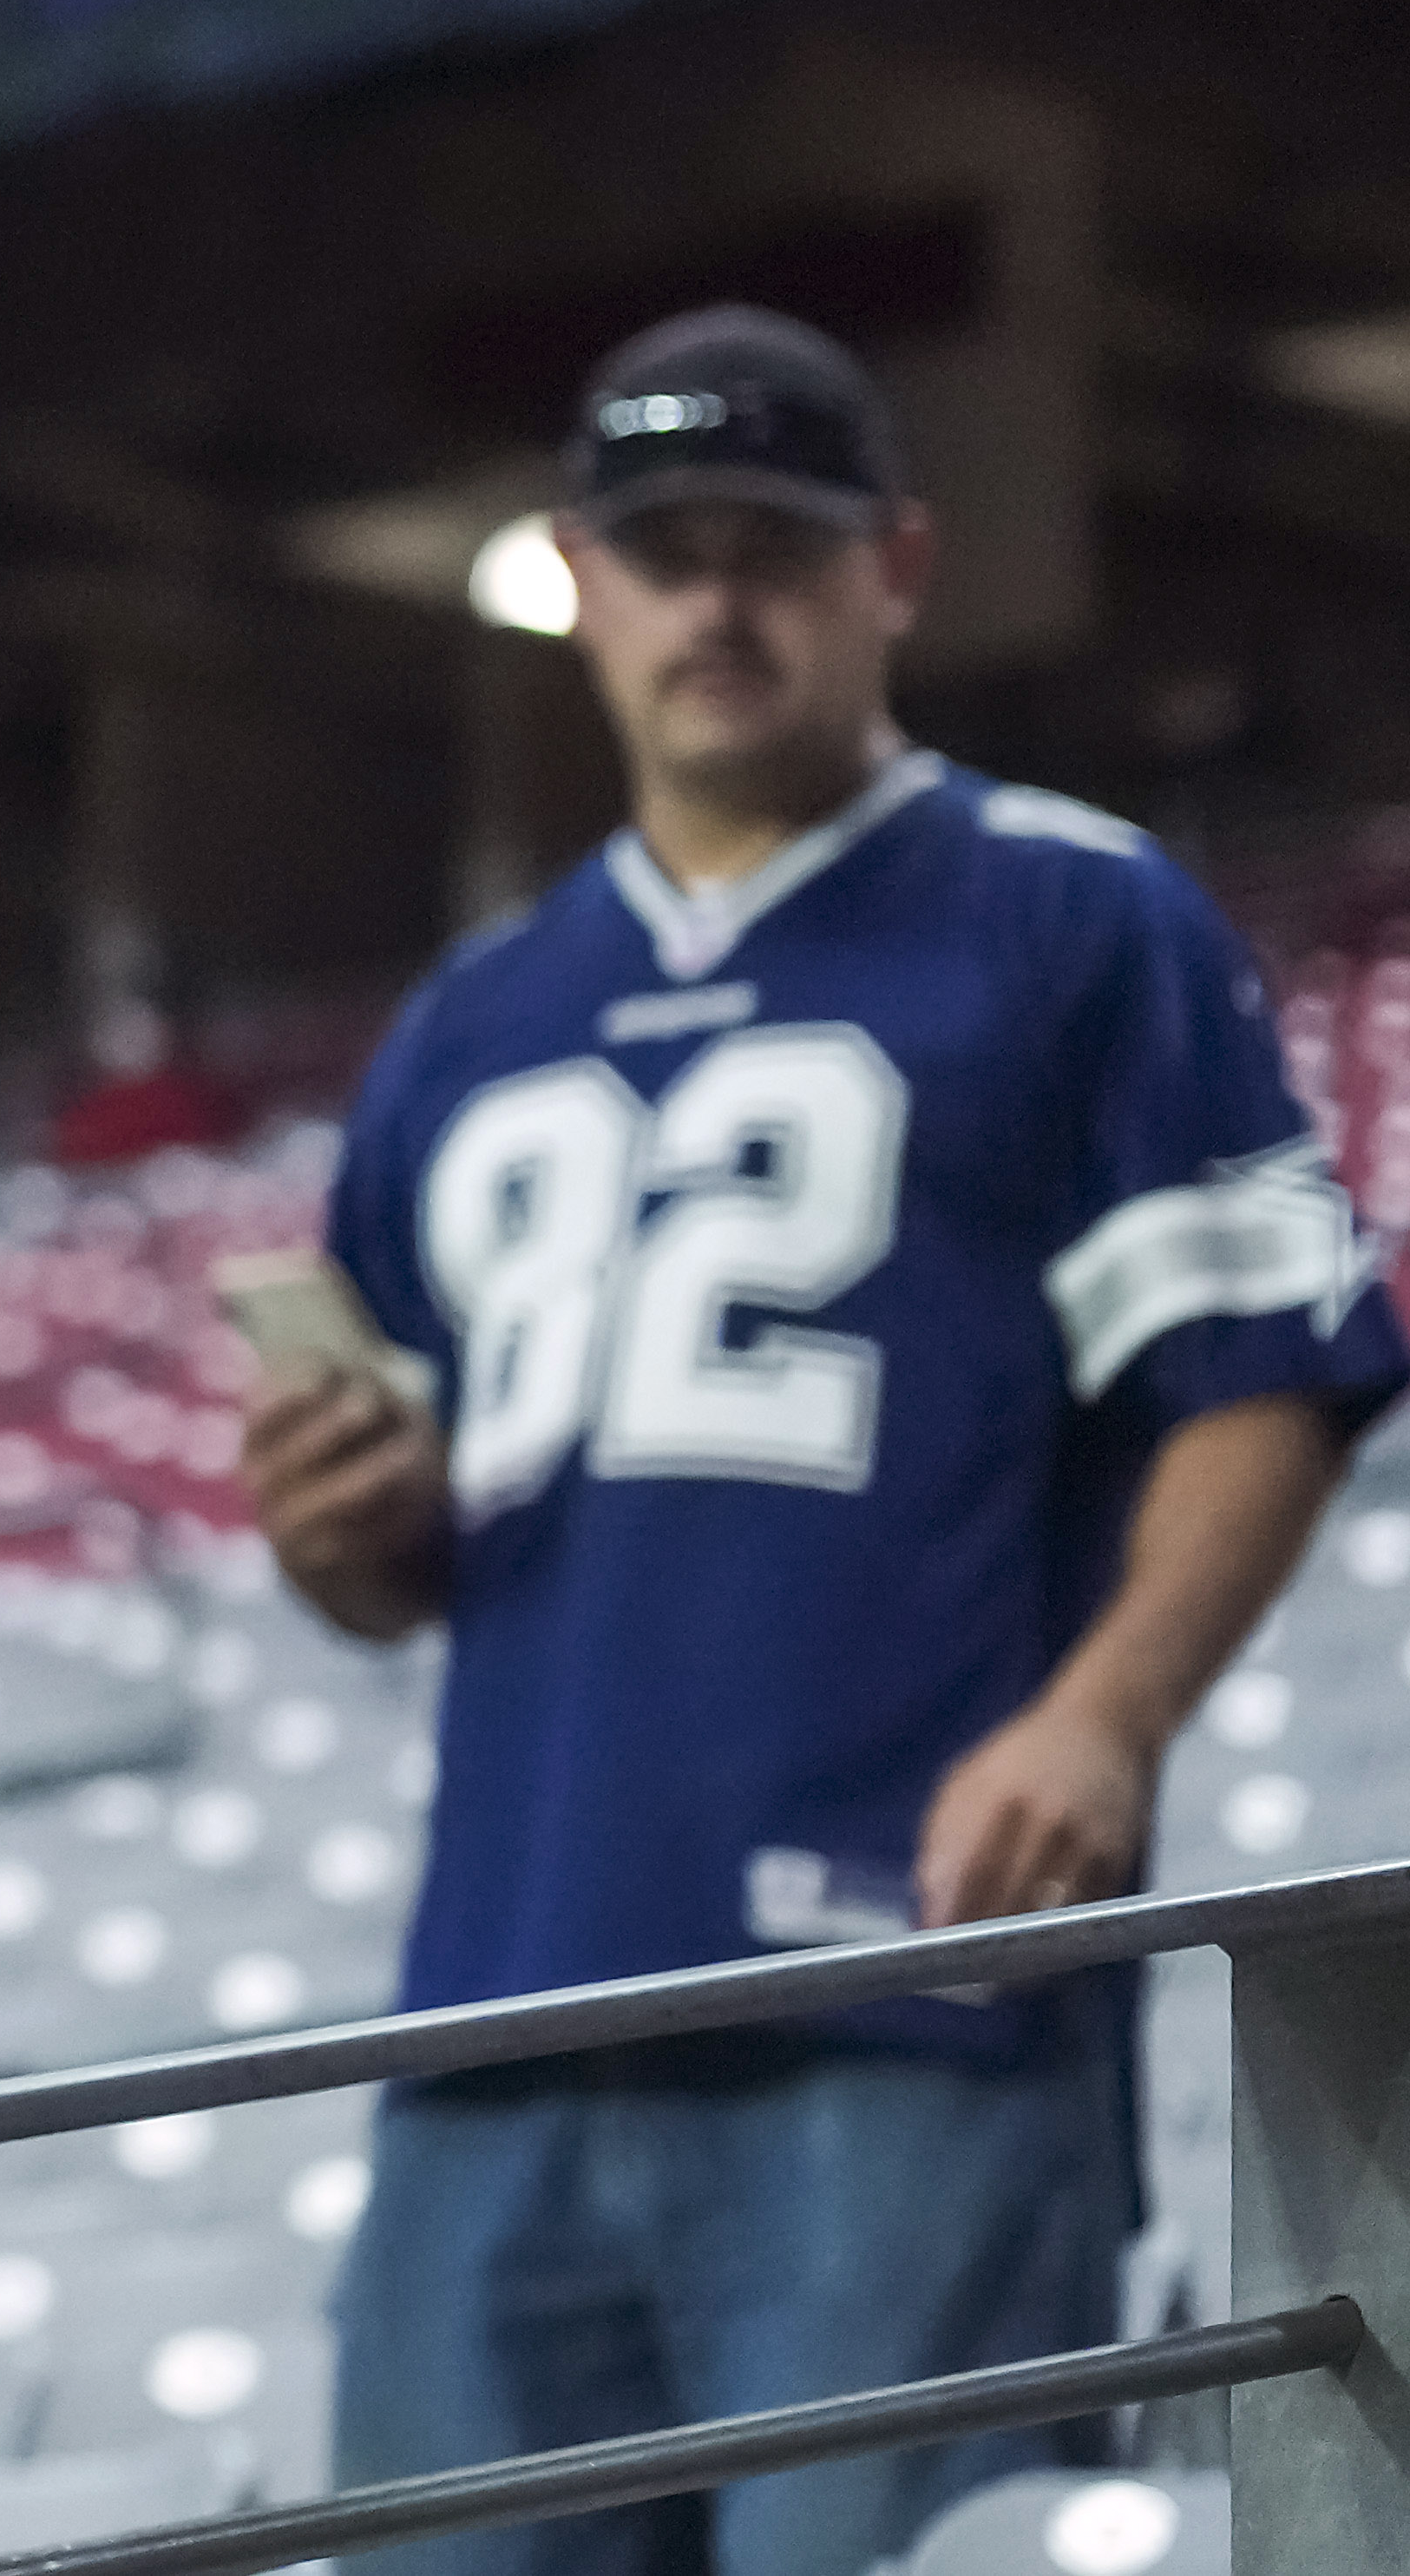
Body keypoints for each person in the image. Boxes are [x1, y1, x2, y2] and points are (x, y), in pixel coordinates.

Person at [239, 305, 1399, 2576]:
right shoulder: (476, 1018)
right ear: (580, 581)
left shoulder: (1069, 917)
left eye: (774, 546)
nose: (718, 602)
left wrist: (1104, 1714)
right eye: (663, 552)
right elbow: (387, 1547)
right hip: (503, 2022)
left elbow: (1262, 1370)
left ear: (900, 570)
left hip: (908, 2005)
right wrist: (330, 1535)